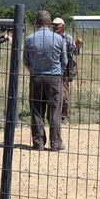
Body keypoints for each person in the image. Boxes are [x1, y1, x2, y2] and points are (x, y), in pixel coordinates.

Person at [24, 10, 67, 151]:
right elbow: (64, 61)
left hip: (36, 77)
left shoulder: (29, 39)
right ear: (49, 23)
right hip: (54, 78)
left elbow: (26, 60)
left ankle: (38, 143)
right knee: (54, 111)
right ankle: (55, 144)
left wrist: (33, 70)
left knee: (36, 110)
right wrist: (58, 71)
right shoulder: (59, 39)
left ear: (36, 23)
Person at [51, 17, 83, 122]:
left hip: (63, 68)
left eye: (57, 25)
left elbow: (76, 53)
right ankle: (54, 113)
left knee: (63, 91)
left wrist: (78, 46)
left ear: (62, 26)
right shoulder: (49, 37)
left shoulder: (67, 38)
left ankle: (64, 115)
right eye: (54, 25)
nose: (55, 26)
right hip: (51, 67)